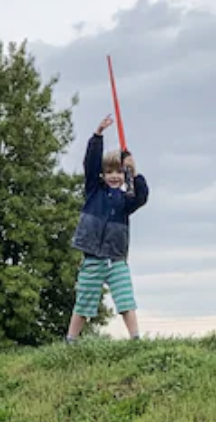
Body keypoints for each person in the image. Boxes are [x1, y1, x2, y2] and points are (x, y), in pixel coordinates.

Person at [66, 114, 149, 342]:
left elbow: (141, 197)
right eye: (110, 172)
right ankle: (70, 340)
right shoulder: (94, 190)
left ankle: (135, 338)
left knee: (126, 300)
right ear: (102, 175)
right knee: (83, 303)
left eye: (119, 172)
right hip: (92, 257)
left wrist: (135, 172)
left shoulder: (126, 199)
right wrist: (98, 135)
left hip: (116, 258)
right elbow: (91, 163)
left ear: (124, 175)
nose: (114, 176)